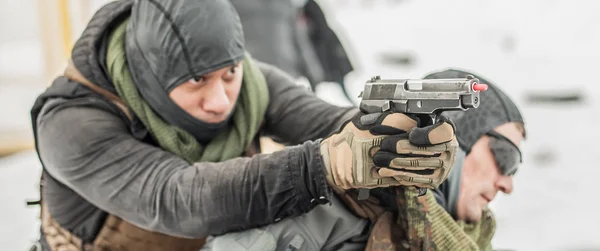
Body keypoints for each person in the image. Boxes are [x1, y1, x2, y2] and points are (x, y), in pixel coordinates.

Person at [28, 0, 457, 250]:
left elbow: (330, 123)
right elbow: (179, 198)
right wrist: (323, 166)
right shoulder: (71, 124)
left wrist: (393, 136)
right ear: (150, 76)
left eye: (229, 74)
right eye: (196, 80)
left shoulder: (251, 84)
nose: (220, 101)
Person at [337, 69, 526, 250]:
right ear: (455, 142)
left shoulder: (475, 238)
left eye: (514, 168)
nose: (507, 185)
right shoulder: (342, 218)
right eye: (506, 157)